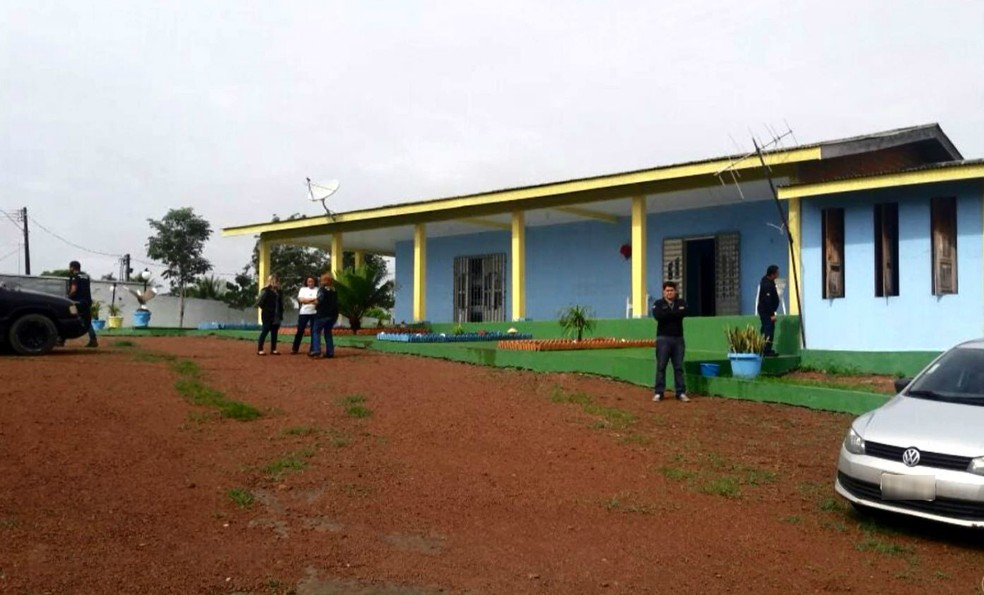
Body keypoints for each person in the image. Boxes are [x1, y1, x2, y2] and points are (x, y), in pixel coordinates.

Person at [652, 281, 689, 402]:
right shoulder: (658, 303)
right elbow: (658, 316)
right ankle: (659, 392)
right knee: (661, 366)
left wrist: (668, 314)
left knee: (678, 367)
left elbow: (683, 313)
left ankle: (680, 392)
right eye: (667, 290)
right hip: (663, 339)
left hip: (678, 339)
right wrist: (674, 314)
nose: (669, 292)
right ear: (664, 292)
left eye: (671, 290)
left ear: (675, 291)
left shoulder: (681, 302)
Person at [68, 260, 98, 348]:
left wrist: (67, 297)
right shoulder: (86, 276)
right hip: (87, 301)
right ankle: (93, 339)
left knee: (68, 317)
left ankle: (61, 339)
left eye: (70, 267)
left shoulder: (75, 277)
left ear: (73, 267)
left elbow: (74, 289)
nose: (69, 269)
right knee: (87, 320)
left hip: (78, 302)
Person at [309, 272, 339, 359]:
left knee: (316, 331)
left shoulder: (322, 290)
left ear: (324, 280)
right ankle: (330, 352)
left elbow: (319, 301)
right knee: (328, 333)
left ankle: (317, 351)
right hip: (333, 315)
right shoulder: (334, 290)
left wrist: (309, 302)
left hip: (322, 314)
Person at [256, 274, 284, 355]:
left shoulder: (279, 292)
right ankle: (260, 349)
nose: (276, 282)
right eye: (274, 280)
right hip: (267, 315)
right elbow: (259, 302)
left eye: (277, 281)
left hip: (277, 315)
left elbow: (281, 303)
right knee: (265, 331)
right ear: (270, 281)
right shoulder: (265, 291)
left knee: (274, 332)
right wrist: (267, 309)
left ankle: (273, 349)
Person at [291, 276, 319, 355]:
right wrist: (312, 299)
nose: (310, 283)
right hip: (304, 313)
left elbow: (318, 301)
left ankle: (313, 349)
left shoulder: (318, 290)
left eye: (312, 281)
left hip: (314, 313)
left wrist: (307, 300)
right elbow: (301, 300)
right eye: (309, 281)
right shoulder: (303, 290)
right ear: (306, 282)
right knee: (300, 330)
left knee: (314, 331)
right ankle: (295, 348)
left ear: (315, 282)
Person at [758, 264, 781, 357]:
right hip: (766, 312)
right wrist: (771, 314)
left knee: (767, 329)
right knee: (768, 330)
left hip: (766, 311)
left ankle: (766, 349)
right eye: (777, 273)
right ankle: (766, 350)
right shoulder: (767, 284)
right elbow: (767, 301)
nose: (778, 274)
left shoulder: (769, 281)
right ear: (772, 274)